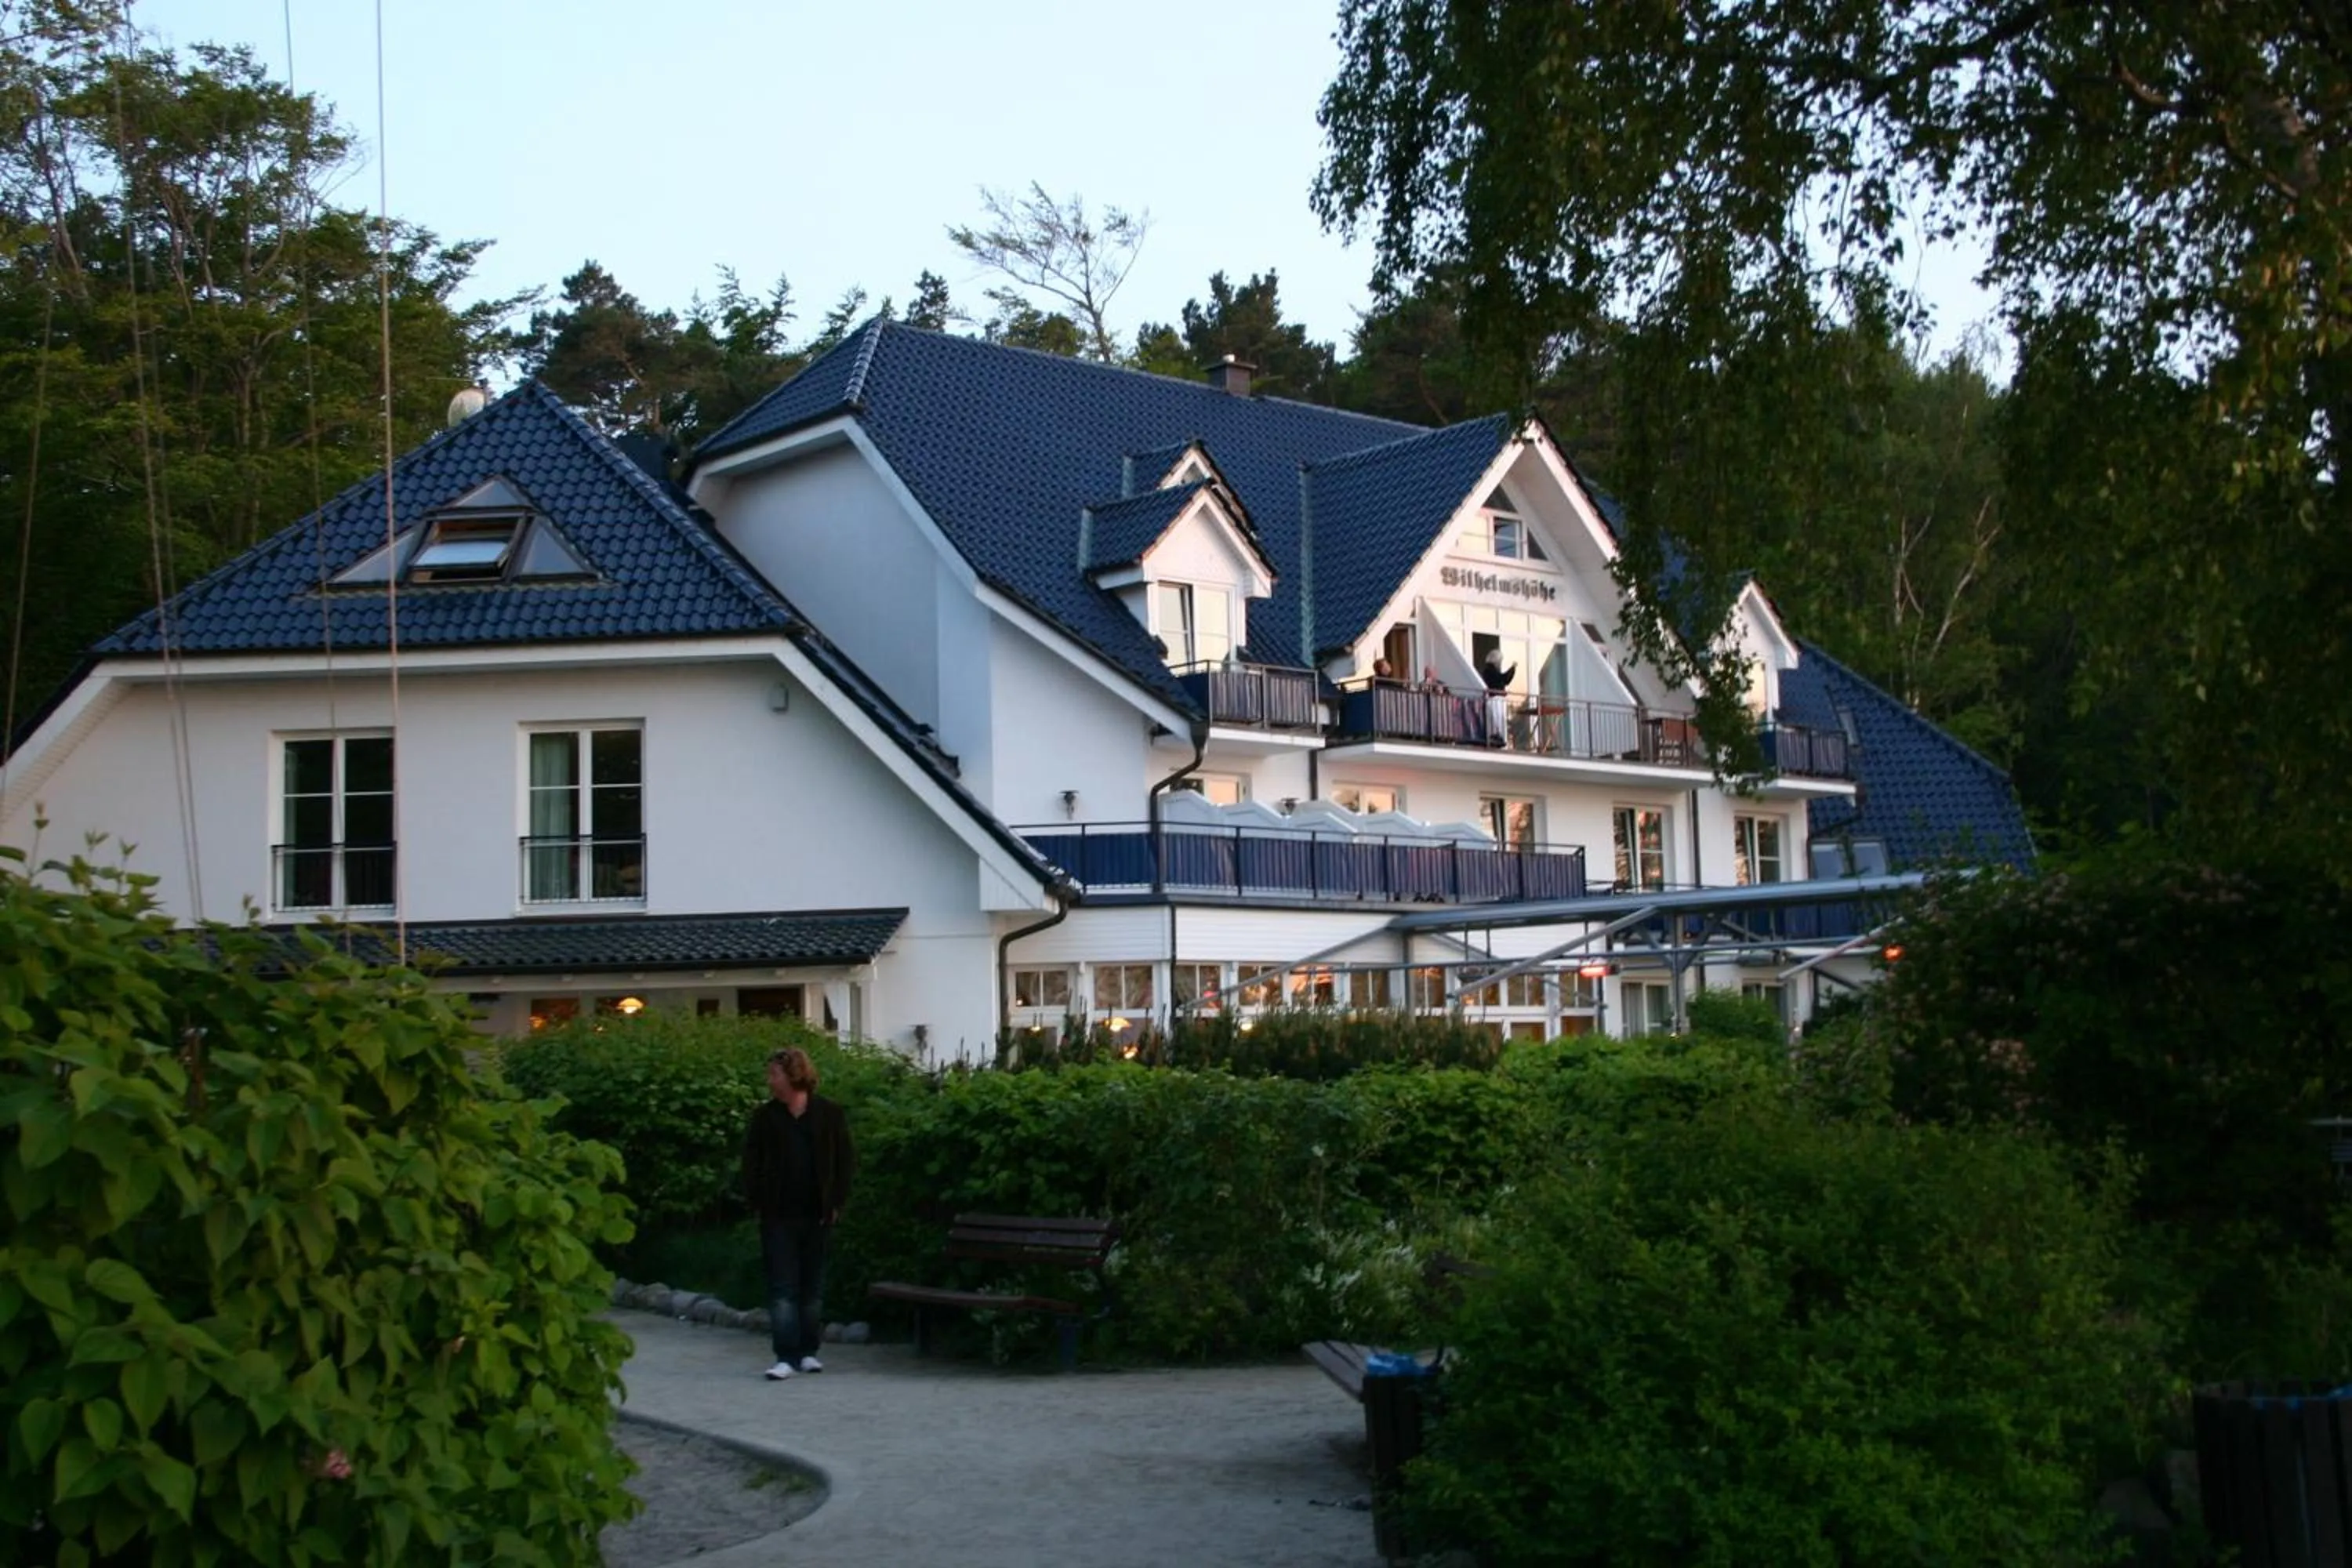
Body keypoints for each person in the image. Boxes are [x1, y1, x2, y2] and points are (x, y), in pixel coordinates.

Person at [742, 1046, 856, 1381]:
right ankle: (785, 1354)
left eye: (774, 1074)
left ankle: (809, 1351)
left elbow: (845, 1161)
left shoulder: (828, 1115)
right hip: (778, 1214)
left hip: (817, 1213)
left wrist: (836, 1202)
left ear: (793, 1075)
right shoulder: (765, 1118)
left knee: (812, 1287)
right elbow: (751, 1162)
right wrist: (758, 1200)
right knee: (782, 1288)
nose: (770, 1081)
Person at [1480, 648, 1516, 747]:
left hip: (1496, 698)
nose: (1500, 663)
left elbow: (1505, 679)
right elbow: (1503, 679)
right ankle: (1499, 738)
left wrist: (1512, 669)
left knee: (1499, 719)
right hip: (1496, 698)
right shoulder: (1490, 670)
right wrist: (1512, 669)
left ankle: (1500, 738)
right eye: (1500, 661)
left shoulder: (1490, 670)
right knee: (1499, 719)